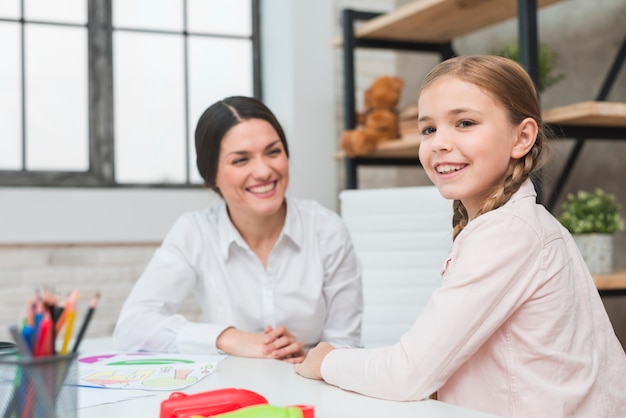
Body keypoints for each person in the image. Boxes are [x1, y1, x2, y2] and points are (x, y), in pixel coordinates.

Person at [294, 55, 626, 416]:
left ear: (522, 137)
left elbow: (408, 374)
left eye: (465, 123)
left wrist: (327, 360)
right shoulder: (512, 224)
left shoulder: (509, 233)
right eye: (428, 129)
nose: (439, 142)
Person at [113, 96, 363, 362]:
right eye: (240, 160)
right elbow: (131, 327)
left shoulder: (326, 230)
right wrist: (228, 338)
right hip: (232, 391)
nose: (264, 171)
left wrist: (310, 359)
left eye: (273, 152)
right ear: (211, 176)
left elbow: (346, 344)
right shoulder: (195, 232)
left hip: (312, 388)